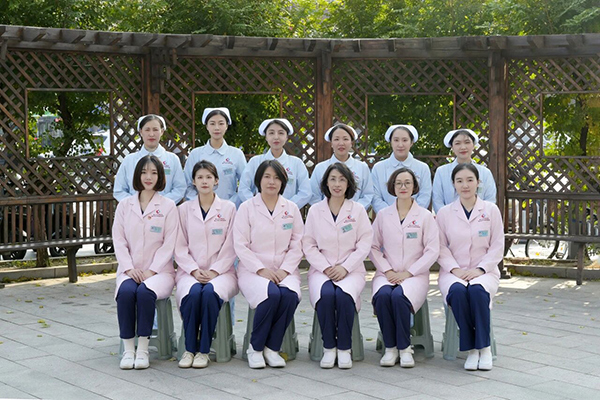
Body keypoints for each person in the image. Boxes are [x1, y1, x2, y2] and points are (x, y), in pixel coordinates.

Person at [234, 160, 304, 369]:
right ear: (259, 180)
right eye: (267, 177)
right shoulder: (247, 208)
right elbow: (240, 244)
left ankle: (272, 348)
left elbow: (297, 244)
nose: (271, 182)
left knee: (289, 295)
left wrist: (285, 270)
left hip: (284, 270)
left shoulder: (291, 208)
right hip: (253, 270)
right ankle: (255, 348)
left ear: (283, 182)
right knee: (271, 295)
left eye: (276, 178)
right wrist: (260, 269)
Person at [303, 162, 373, 369]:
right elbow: (308, 244)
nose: (337, 184)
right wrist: (326, 268)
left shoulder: (358, 210)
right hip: (321, 270)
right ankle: (329, 348)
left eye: (342, 179)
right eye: (332, 179)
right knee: (326, 296)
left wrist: (345, 267)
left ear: (349, 184)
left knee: (343, 296)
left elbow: (364, 243)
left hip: (351, 270)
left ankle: (344, 349)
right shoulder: (315, 211)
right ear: (326, 183)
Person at [112, 155, 179, 370]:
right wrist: (129, 268)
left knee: (144, 293)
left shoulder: (168, 206)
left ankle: (142, 349)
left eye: (153, 172)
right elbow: (119, 240)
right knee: (126, 293)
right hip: (130, 270)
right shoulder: (125, 205)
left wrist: (152, 270)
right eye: (143, 172)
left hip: (160, 273)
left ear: (160, 176)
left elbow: (169, 243)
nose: (148, 177)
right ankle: (128, 349)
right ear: (137, 175)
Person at [436, 163, 504, 371]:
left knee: (477, 291)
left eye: (469, 180)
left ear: (478, 182)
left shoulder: (490, 210)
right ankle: (472, 350)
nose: (465, 185)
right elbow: (440, 246)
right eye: (459, 181)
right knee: (457, 292)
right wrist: (455, 269)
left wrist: (481, 269)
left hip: (484, 271)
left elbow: (497, 245)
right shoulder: (445, 213)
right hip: (453, 272)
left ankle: (484, 348)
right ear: (453, 185)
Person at [370, 167, 439, 368]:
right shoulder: (383, 215)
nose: (403, 187)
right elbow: (373, 247)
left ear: (414, 186)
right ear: (392, 187)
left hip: (414, 275)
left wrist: (409, 272)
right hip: (387, 273)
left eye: (407, 183)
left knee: (399, 297)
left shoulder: (425, 216)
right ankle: (390, 348)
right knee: (383, 296)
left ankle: (405, 348)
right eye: (398, 183)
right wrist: (387, 271)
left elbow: (432, 250)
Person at [175, 160, 238, 369]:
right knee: (193, 294)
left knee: (210, 293)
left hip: (222, 272)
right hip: (189, 272)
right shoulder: (184, 210)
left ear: (216, 181)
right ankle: (189, 350)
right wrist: (194, 270)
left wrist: (215, 271)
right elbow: (179, 245)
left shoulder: (228, 209)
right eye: (200, 177)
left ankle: (203, 351)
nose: (204, 181)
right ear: (193, 181)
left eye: (209, 177)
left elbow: (231, 246)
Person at [238, 118, 311, 209]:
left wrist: (286, 206)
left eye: (281, 133)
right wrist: (256, 206)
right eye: (271, 133)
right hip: (259, 212)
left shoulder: (296, 163)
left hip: (287, 213)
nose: (276, 137)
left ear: (287, 137)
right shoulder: (255, 161)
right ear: (266, 137)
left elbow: (305, 192)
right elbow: (243, 188)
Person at [114, 114, 186, 204]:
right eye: (147, 130)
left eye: (155, 129)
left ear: (162, 131)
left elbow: (180, 188)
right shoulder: (129, 160)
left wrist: (161, 203)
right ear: (141, 132)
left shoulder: (172, 159)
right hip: (134, 210)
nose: (151, 134)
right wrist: (137, 204)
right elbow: (119, 190)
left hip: (164, 210)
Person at [183, 108, 247, 207]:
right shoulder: (195, 154)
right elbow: (187, 184)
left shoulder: (236, 154)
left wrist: (230, 204)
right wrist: (200, 204)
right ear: (207, 126)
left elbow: (245, 185)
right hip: (200, 209)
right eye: (212, 123)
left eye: (221, 123)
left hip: (230, 209)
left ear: (226, 126)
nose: (217, 128)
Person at [309, 124, 373, 209]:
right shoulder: (320, 168)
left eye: (345, 139)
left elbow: (367, 195)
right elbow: (314, 196)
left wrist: (354, 210)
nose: (341, 143)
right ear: (331, 143)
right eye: (336, 139)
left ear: (351, 143)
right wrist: (327, 211)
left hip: (354, 214)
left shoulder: (362, 168)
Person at [432, 129, 496, 214]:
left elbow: (490, 200)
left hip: (480, 219)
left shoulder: (485, 172)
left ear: (473, 145)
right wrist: (447, 217)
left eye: (467, 142)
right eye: (457, 143)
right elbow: (437, 200)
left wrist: (478, 217)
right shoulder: (441, 172)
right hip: (448, 219)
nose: (463, 147)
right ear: (452, 147)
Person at [371, 124, 432, 213]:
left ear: (411, 142)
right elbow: (376, 197)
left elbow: (425, 195)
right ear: (391, 142)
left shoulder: (423, 168)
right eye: (396, 140)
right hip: (386, 217)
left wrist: (411, 214)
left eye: (405, 140)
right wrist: (390, 214)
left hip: (415, 218)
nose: (400, 145)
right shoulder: (378, 168)